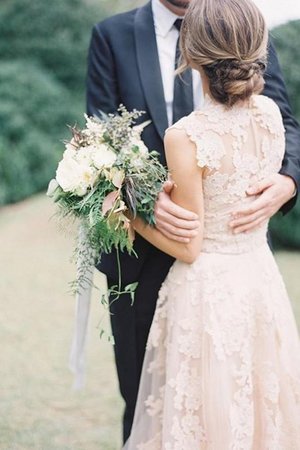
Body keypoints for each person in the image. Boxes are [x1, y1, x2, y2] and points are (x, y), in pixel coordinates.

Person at [86, 0, 300, 442]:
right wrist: (138, 198)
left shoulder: (188, 132)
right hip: (217, 271)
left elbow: (289, 126)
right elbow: (101, 138)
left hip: (204, 274)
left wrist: (288, 181)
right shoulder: (113, 35)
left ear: (191, 53)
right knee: (155, 400)